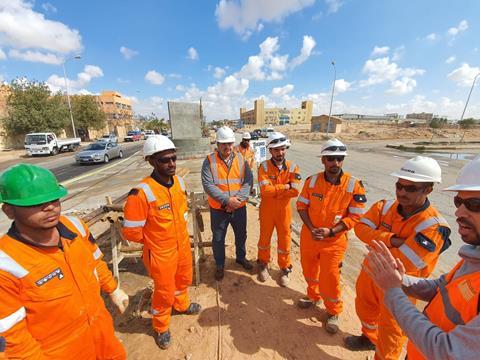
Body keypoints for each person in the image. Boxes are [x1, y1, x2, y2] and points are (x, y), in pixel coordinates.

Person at [0, 163, 128, 359]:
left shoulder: (75, 227)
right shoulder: (6, 264)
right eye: (35, 203)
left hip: (103, 335)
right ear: (9, 211)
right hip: (60, 352)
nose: (50, 207)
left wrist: (112, 289)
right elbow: (13, 339)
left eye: (54, 199)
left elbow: (95, 261)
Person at [364, 156, 480, 360]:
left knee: (390, 336)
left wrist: (393, 289)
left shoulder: (433, 225)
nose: (458, 212)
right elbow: (440, 287)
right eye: (458, 201)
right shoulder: (473, 257)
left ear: (428, 190)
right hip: (417, 348)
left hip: (401, 303)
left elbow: (447, 351)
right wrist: (399, 273)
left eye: (474, 204)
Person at [345, 156, 451, 360]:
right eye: (399, 186)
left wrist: (376, 239)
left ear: (428, 189)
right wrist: (393, 240)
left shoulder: (434, 226)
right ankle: (369, 337)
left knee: (392, 332)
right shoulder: (384, 207)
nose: (402, 192)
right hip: (370, 272)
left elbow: (408, 262)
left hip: (402, 285)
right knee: (364, 309)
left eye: (410, 188)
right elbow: (360, 228)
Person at [122, 135, 201, 349]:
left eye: (174, 158)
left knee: (183, 279)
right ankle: (161, 326)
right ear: (151, 161)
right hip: (160, 253)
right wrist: (155, 242)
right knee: (164, 290)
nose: (172, 164)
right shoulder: (141, 193)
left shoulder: (179, 183)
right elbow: (130, 232)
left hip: (182, 245)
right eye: (164, 160)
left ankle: (182, 305)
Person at [296, 139, 367, 334]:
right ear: (323, 160)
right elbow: (301, 206)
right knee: (309, 270)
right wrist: (311, 228)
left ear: (343, 160)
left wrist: (332, 231)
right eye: (330, 159)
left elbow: (356, 216)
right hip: (310, 237)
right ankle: (313, 296)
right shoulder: (311, 181)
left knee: (330, 277)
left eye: (339, 159)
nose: (335, 163)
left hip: (334, 241)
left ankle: (333, 311)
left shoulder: (354, 185)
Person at [201, 126, 254, 281]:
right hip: (219, 209)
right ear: (217, 144)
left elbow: (248, 181)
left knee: (241, 234)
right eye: (223, 143)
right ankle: (219, 264)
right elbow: (208, 185)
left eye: (230, 143)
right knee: (218, 238)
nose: (227, 147)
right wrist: (227, 201)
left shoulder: (241, 159)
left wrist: (236, 201)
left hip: (239, 208)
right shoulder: (209, 161)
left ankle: (241, 257)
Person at [257, 132, 300, 286]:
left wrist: (275, 190)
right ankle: (263, 264)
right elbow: (265, 191)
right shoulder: (263, 167)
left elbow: (295, 191)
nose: (280, 153)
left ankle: (285, 269)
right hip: (267, 211)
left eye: (282, 149)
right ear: (270, 151)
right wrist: (285, 186)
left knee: (285, 240)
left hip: (284, 212)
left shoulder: (293, 167)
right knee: (264, 239)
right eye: (276, 150)